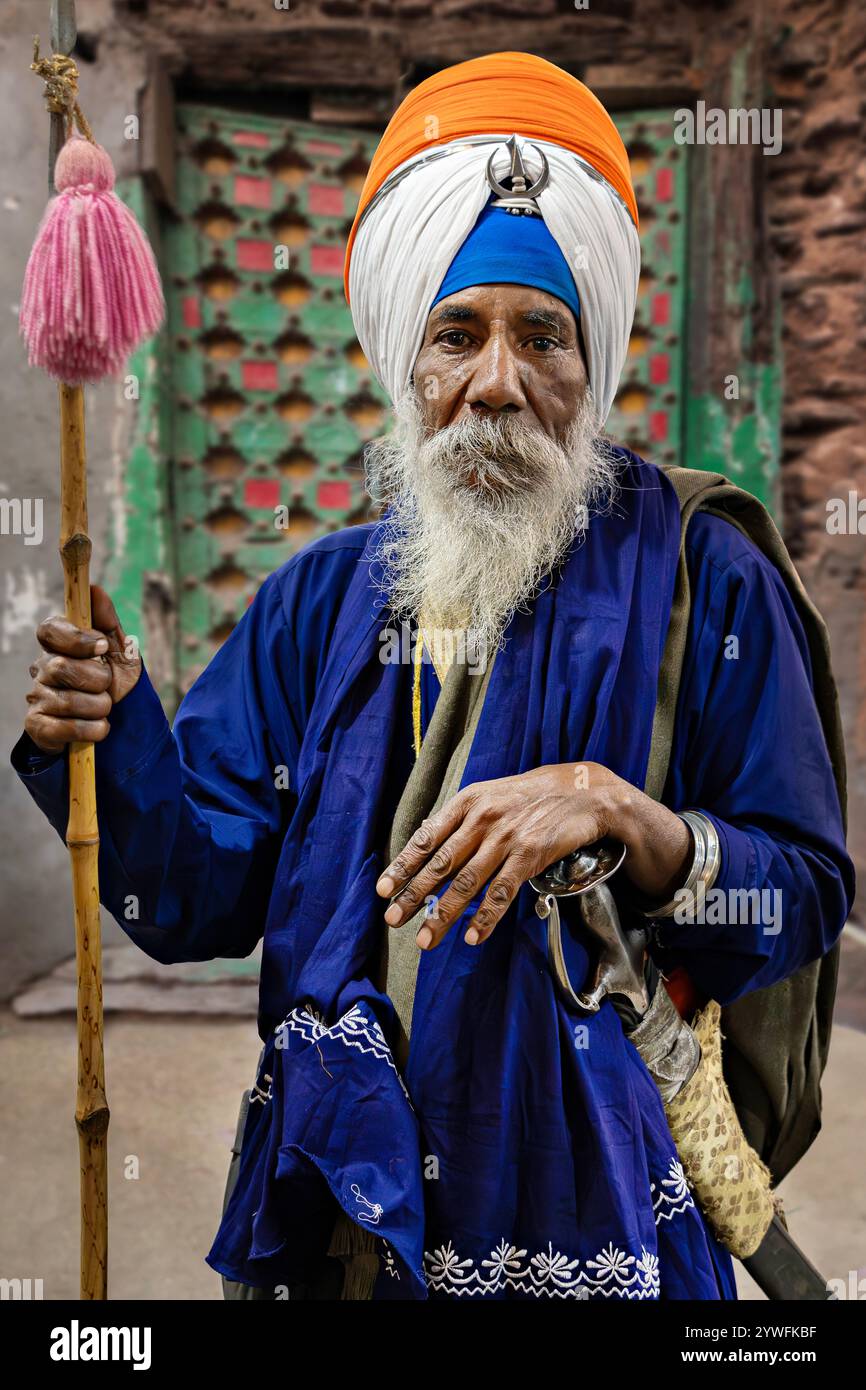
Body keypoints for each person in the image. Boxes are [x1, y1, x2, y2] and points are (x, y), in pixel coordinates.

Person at [13, 52, 853, 1301]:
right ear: (405, 360)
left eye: (542, 337)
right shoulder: (319, 597)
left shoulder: (701, 575)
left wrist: (621, 812)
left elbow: (796, 897)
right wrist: (114, 732)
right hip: (342, 1217)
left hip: (595, 1218)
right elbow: (194, 898)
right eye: (456, 335)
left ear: (595, 361)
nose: (496, 384)